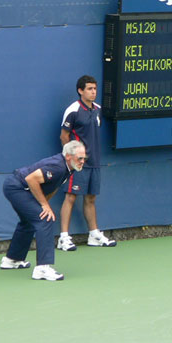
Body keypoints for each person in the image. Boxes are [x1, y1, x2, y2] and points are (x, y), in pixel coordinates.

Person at [0, 140, 86, 281]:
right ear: (69, 156)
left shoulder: (69, 168)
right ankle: (42, 268)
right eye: (80, 158)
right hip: (17, 187)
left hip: (17, 187)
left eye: (84, 158)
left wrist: (44, 203)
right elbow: (31, 179)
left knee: (29, 221)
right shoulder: (58, 167)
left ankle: (12, 259)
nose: (83, 161)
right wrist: (44, 206)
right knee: (44, 218)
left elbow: (53, 186)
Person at [57, 75, 116, 251]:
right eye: (89, 89)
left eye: (95, 89)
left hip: (95, 162)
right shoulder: (73, 110)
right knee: (71, 197)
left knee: (91, 198)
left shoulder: (98, 109)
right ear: (80, 91)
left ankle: (94, 234)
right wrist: (72, 158)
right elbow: (64, 136)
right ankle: (64, 238)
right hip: (77, 164)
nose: (93, 92)